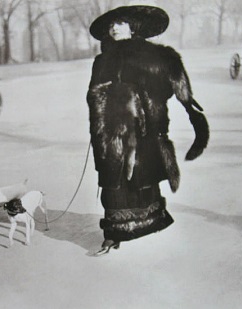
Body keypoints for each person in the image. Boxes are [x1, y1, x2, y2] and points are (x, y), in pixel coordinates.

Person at [86, 5, 209, 256]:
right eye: (111, 25)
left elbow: (175, 85)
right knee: (115, 184)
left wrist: (193, 116)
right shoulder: (102, 61)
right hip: (112, 135)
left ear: (133, 27)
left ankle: (150, 223)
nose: (114, 28)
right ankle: (113, 234)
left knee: (143, 178)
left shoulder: (157, 56)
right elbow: (93, 96)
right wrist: (105, 115)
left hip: (146, 133)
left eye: (120, 23)